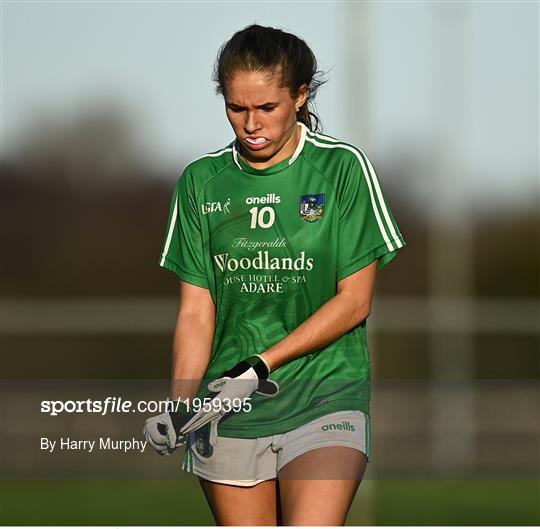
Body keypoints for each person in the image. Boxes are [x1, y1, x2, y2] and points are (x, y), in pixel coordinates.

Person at [144, 23, 406, 526]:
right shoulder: (201, 182)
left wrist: (259, 367)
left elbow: (354, 301)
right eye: (236, 108)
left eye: (267, 108)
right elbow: (197, 310)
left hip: (326, 395)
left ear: (300, 95)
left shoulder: (343, 169)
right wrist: (180, 402)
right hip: (226, 410)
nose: (251, 124)